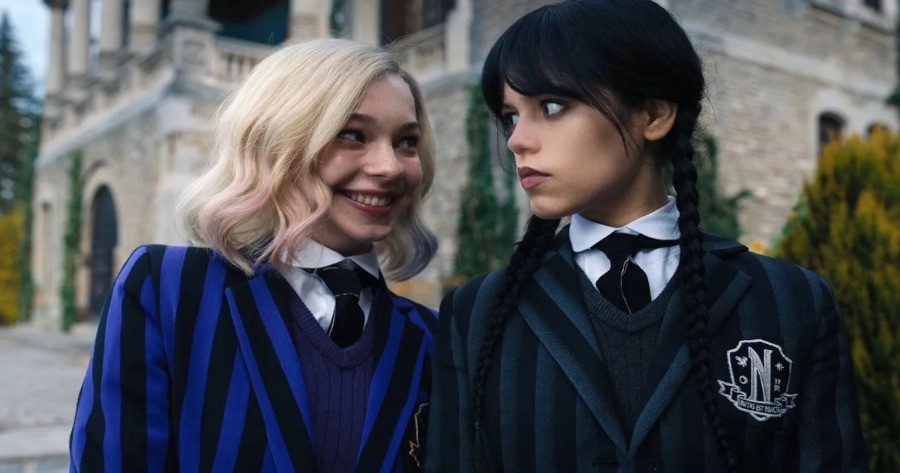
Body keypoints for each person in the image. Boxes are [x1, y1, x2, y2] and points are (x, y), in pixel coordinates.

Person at [425, 1, 867, 472]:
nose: (517, 140)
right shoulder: (475, 316)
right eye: (511, 116)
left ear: (653, 115)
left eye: (551, 106)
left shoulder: (792, 303)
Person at [70, 38, 438, 472]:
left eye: (407, 142)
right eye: (353, 135)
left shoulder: (434, 337)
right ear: (278, 143)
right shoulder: (168, 291)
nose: (391, 167)